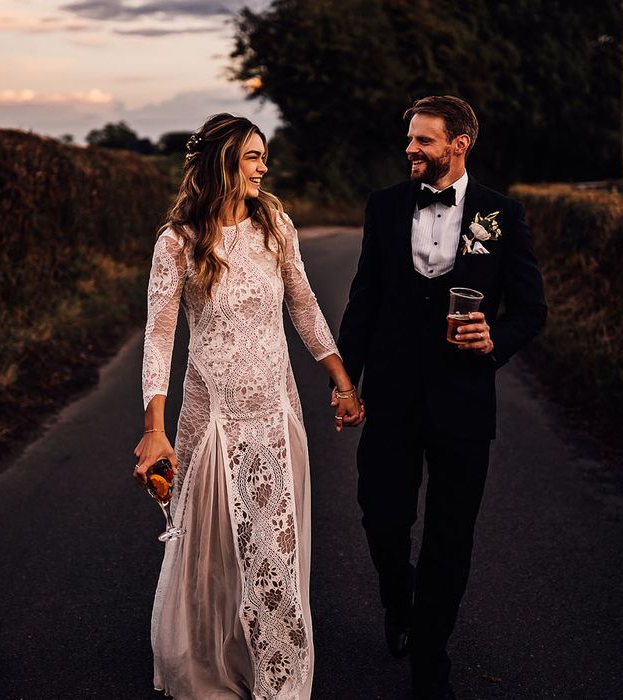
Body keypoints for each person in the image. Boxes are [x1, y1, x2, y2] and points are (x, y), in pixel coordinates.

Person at [133, 113, 363, 700]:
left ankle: (278, 678)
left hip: (276, 412)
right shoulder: (178, 242)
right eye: (254, 157)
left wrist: (341, 381)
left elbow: (305, 306)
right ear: (222, 163)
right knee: (213, 552)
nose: (265, 167)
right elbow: (159, 337)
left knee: (274, 551)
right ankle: (211, 664)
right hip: (210, 417)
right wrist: (153, 429)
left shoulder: (275, 226)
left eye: (264, 156)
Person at [336, 96, 547, 700]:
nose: (411, 149)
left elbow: (532, 310)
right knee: (381, 516)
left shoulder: (501, 215)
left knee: (451, 537)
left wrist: (493, 339)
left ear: (460, 144)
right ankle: (396, 596)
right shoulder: (383, 207)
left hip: (462, 404)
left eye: (424, 141)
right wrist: (346, 383)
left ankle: (431, 659)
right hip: (392, 396)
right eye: (410, 140)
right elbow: (363, 300)